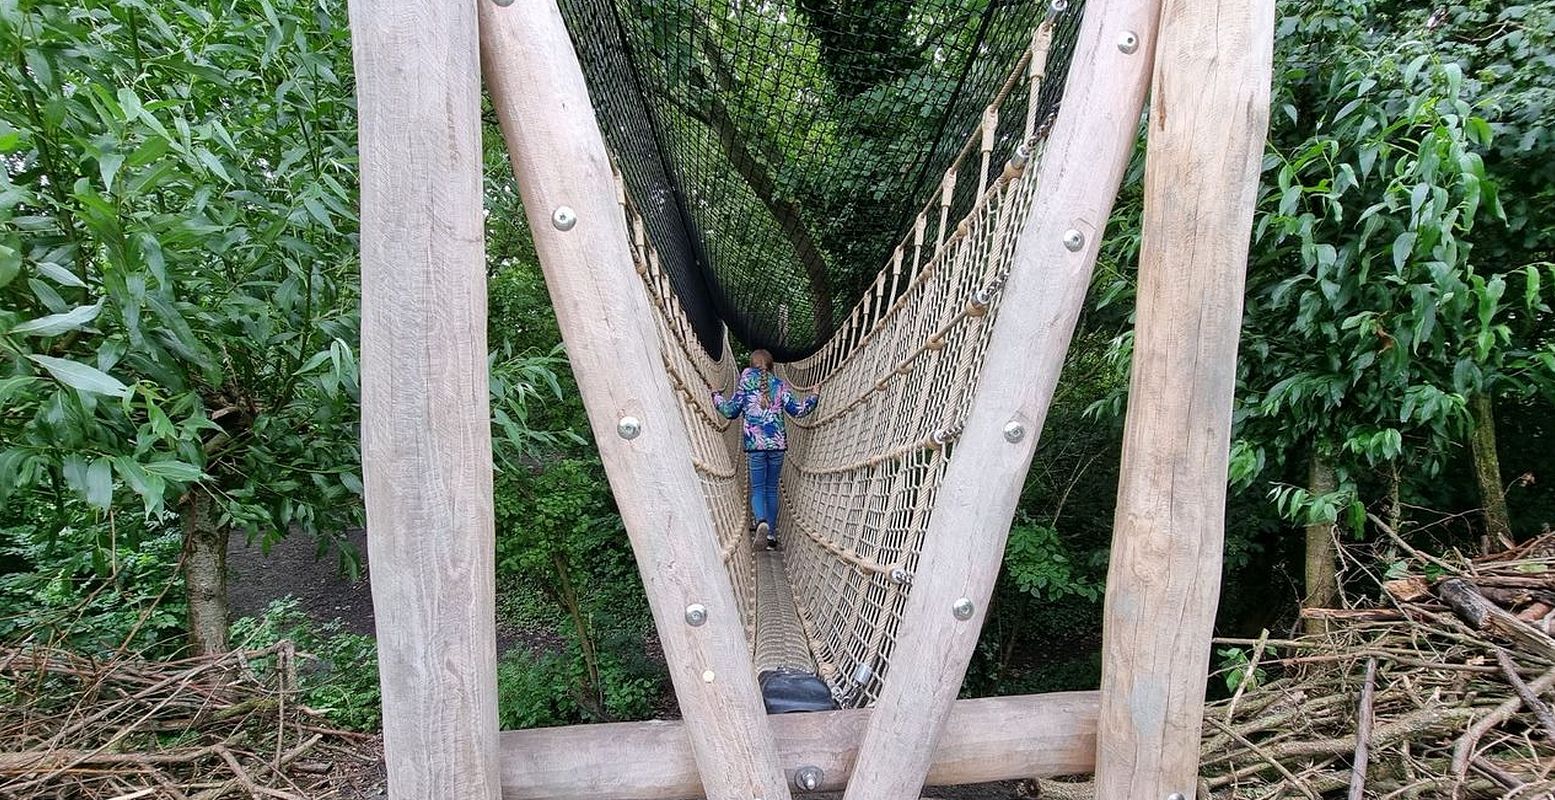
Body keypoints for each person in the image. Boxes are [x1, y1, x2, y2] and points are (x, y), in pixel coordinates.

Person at [712, 349, 819, 549]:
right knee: (771, 488)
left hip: (755, 447)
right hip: (777, 447)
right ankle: (770, 535)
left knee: (758, 488)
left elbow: (729, 411)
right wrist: (814, 396)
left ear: (751, 366)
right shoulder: (779, 385)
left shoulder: (745, 385)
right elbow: (798, 410)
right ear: (771, 367)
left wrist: (716, 397)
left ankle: (760, 520)